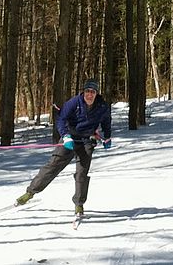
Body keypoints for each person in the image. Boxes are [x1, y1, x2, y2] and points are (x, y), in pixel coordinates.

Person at [16, 79, 112, 216]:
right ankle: (30, 192)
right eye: (87, 91)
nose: (89, 95)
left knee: (82, 174)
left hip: (86, 141)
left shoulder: (102, 106)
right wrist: (65, 136)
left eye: (92, 92)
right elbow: (61, 119)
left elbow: (106, 121)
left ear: (96, 93)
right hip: (70, 139)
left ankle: (79, 205)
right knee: (53, 166)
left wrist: (107, 136)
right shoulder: (74, 103)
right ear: (83, 92)